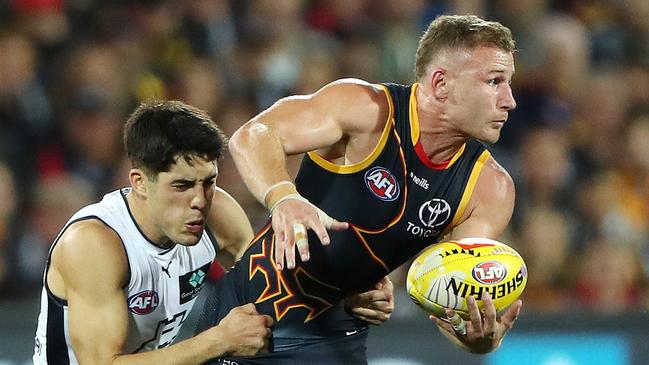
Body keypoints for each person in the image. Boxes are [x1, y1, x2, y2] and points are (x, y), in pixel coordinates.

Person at [199, 14, 523, 364]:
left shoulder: (489, 189)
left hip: (336, 344)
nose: (509, 100)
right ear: (441, 84)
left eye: (508, 84)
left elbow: (452, 299)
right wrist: (283, 197)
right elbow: (252, 135)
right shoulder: (366, 110)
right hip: (243, 319)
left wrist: (478, 340)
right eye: (494, 81)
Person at [32, 100, 393, 364]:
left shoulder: (217, 212)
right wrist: (220, 339)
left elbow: (276, 283)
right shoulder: (95, 244)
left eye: (208, 182)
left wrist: (345, 298)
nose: (198, 201)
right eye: (181, 186)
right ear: (140, 182)